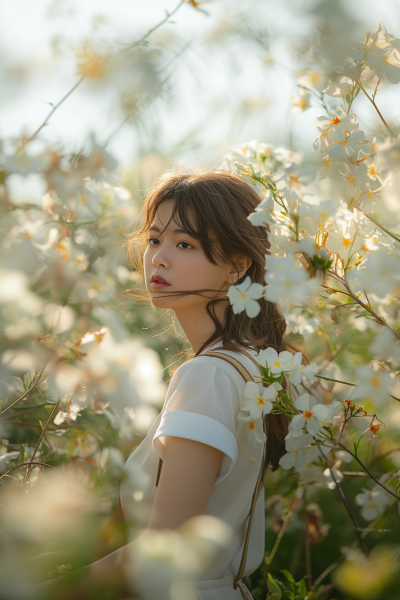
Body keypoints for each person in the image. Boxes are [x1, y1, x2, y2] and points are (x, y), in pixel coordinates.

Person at [32, 165, 293, 600]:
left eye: (185, 244)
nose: (159, 258)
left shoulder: (209, 374)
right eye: (155, 240)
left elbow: (164, 552)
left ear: (236, 267)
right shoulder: (249, 366)